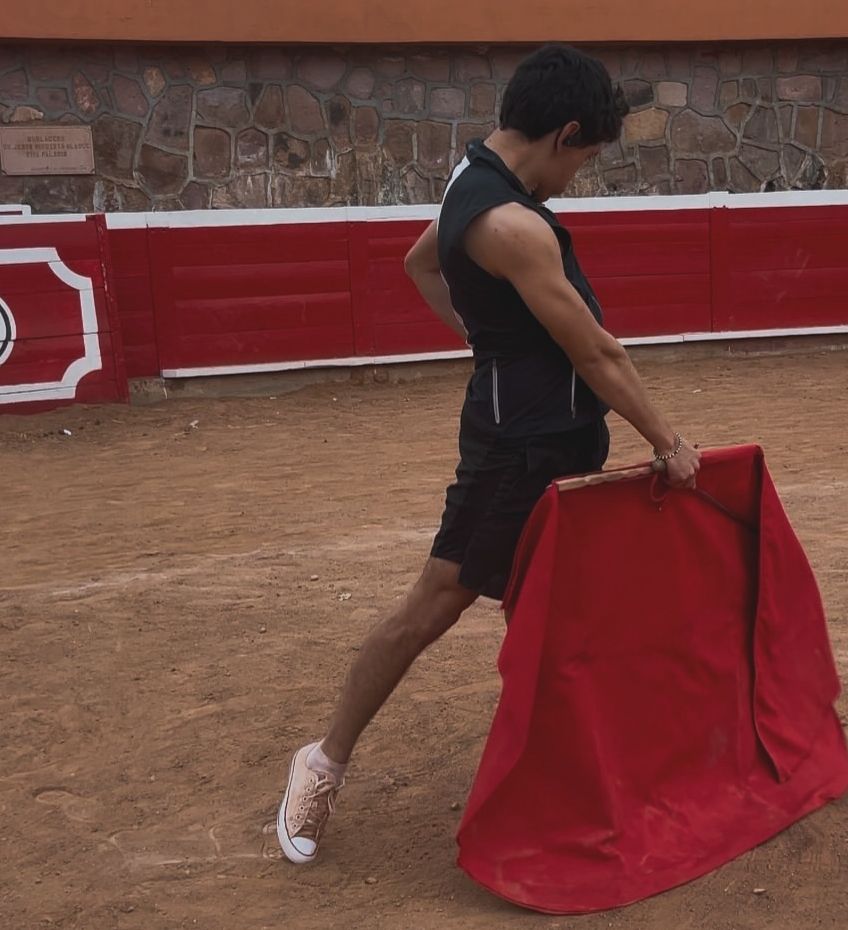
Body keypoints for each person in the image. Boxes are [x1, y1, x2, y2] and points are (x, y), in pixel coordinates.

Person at [277, 43, 702, 864]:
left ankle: (575, 770)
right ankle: (322, 761)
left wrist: (493, 345)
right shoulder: (510, 224)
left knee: (561, 607)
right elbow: (599, 356)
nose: (577, 175)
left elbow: (419, 263)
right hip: (517, 448)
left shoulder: (474, 179)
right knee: (436, 602)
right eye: (583, 157)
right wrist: (669, 442)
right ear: (565, 131)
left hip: (553, 431)